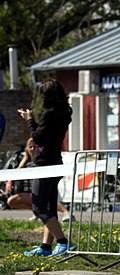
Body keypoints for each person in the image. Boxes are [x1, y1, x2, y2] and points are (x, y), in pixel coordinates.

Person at [18, 80, 73, 256]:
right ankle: (45, 247)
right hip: (56, 161)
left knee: (39, 207)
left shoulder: (49, 114)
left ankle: (63, 242)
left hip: (44, 164)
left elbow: (38, 137)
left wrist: (29, 120)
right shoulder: (65, 113)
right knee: (49, 207)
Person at [6, 137, 73, 221]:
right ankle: (37, 213)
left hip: (41, 188)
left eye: (35, 146)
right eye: (30, 147)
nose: (33, 149)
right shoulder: (24, 163)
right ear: (27, 149)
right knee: (11, 201)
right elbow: (15, 175)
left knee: (45, 199)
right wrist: (10, 181)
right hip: (28, 191)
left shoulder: (41, 161)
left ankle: (66, 212)